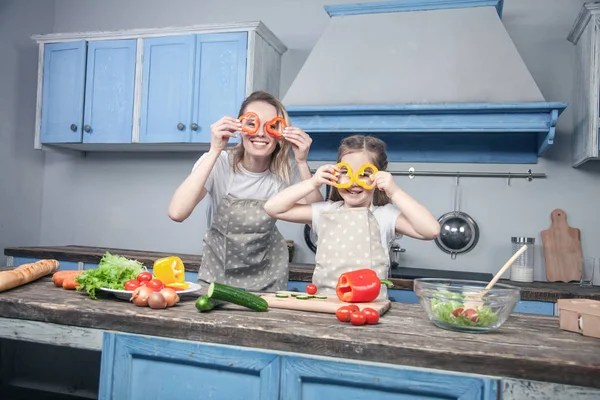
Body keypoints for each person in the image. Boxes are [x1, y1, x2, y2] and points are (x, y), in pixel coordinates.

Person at [168, 91, 322, 291]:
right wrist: (214, 150)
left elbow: (318, 220)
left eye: (271, 126)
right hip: (217, 278)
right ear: (239, 128)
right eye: (252, 123)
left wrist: (301, 162)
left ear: (280, 133)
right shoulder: (219, 163)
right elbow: (177, 212)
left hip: (269, 280)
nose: (260, 133)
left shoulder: (285, 172)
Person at [264, 135, 440, 299]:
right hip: (324, 304)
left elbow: (431, 230)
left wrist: (395, 191)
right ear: (336, 173)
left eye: (364, 174)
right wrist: (312, 182)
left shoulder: (385, 215)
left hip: (369, 308)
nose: (354, 182)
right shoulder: (325, 211)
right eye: (346, 172)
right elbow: (272, 208)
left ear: (379, 176)